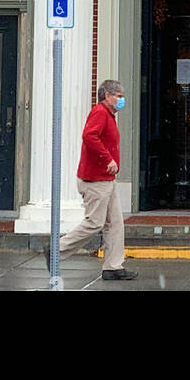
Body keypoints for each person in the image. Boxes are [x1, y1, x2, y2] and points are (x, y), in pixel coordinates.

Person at [55, 79, 138, 281]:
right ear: (107, 96)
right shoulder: (100, 112)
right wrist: (107, 159)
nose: (122, 99)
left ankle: (113, 266)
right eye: (118, 96)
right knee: (94, 223)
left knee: (115, 223)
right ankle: (56, 251)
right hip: (96, 181)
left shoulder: (108, 115)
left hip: (106, 180)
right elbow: (89, 136)